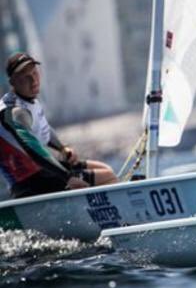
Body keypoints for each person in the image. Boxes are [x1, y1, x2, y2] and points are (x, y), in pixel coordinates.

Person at [0, 52, 118, 198]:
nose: (33, 80)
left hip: (43, 172)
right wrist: (67, 177)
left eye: (35, 73)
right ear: (13, 82)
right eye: (25, 77)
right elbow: (32, 148)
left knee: (104, 168)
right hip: (30, 182)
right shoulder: (16, 112)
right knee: (107, 177)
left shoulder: (29, 100)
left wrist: (62, 148)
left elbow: (45, 129)